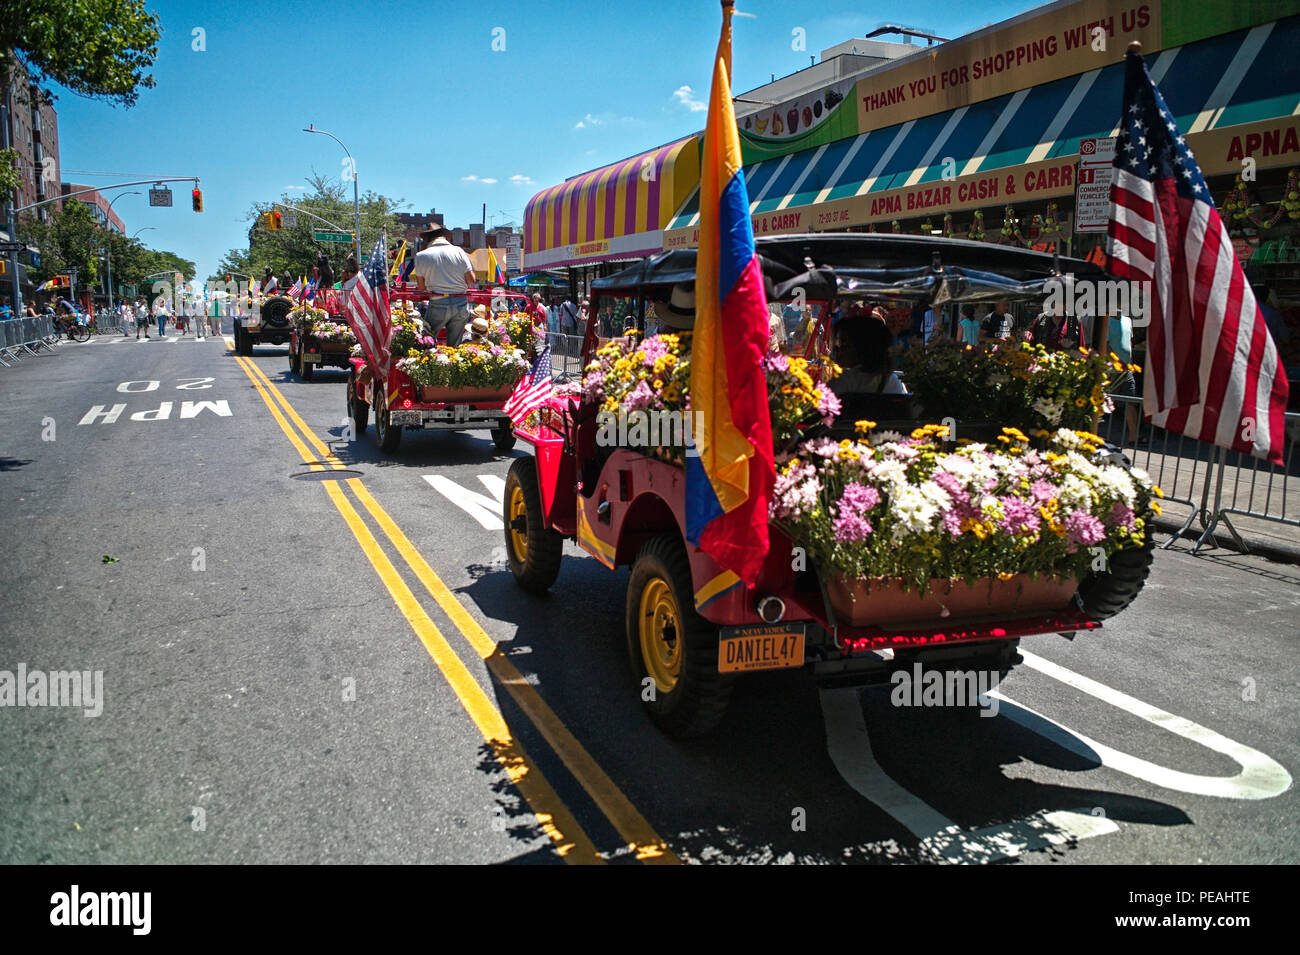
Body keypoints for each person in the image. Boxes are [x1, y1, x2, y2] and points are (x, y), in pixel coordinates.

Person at [411, 223, 475, 346]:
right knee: (454, 347)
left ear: (428, 239)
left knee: (426, 341)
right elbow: (471, 280)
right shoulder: (459, 251)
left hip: (438, 302)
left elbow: (421, 287)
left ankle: (428, 362)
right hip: (461, 303)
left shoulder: (421, 256)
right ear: (443, 236)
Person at [830, 314, 907, 396]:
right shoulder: (893, 381)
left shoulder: (843, 381)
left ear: (862, 348)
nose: (836, 350)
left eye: (844, 344)